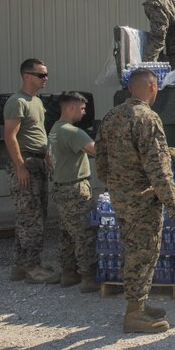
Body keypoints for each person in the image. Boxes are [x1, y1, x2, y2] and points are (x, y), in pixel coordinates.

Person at [95, 68, 175, 334]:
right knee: (143, 254)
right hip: (143, 200)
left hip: (120, 197)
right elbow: (158, 166)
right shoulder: (147, 117)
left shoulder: (111, 116)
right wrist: (172, 200)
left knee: (131, 250)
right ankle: (134, 313)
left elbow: (100, 159)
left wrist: (115, 185)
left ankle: (138, 304)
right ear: (153, 87)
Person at [4, 58, 60, 284]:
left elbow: (40, 135)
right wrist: (20, 167)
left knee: (34, 216)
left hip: (37, 163)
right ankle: (32, 267)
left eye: (46, 75)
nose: (45, 79)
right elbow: (10, 136)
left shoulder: (36, 102)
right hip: (25, 164)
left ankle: (21, 265)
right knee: (31, 219)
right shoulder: (17, 102)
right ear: (27, 76)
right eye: (41, 75)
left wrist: (47, 158)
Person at [48, 92, 100, 293]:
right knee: (84, 233)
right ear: (71, 108)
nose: (84, 111)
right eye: (82, 108)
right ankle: (89, 277)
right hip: (75, 188)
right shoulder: (73, 132)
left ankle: (69, 272)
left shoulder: (55, 129)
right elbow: (97, 150)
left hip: (61, 186)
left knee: (67, 234)